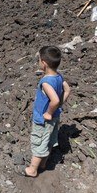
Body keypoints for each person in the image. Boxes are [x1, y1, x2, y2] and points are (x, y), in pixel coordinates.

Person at [24, 46, 70, 178]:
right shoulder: (59, 77)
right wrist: (60, 104)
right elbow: (67, 90)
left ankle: (32, 170)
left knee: (39, 143)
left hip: (43, 119)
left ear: (43, 63)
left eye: (39, 59)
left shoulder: (46, 82)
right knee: (48, 140)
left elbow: (54, 100)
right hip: (54, 118)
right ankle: (43, 164)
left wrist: (49, 112)